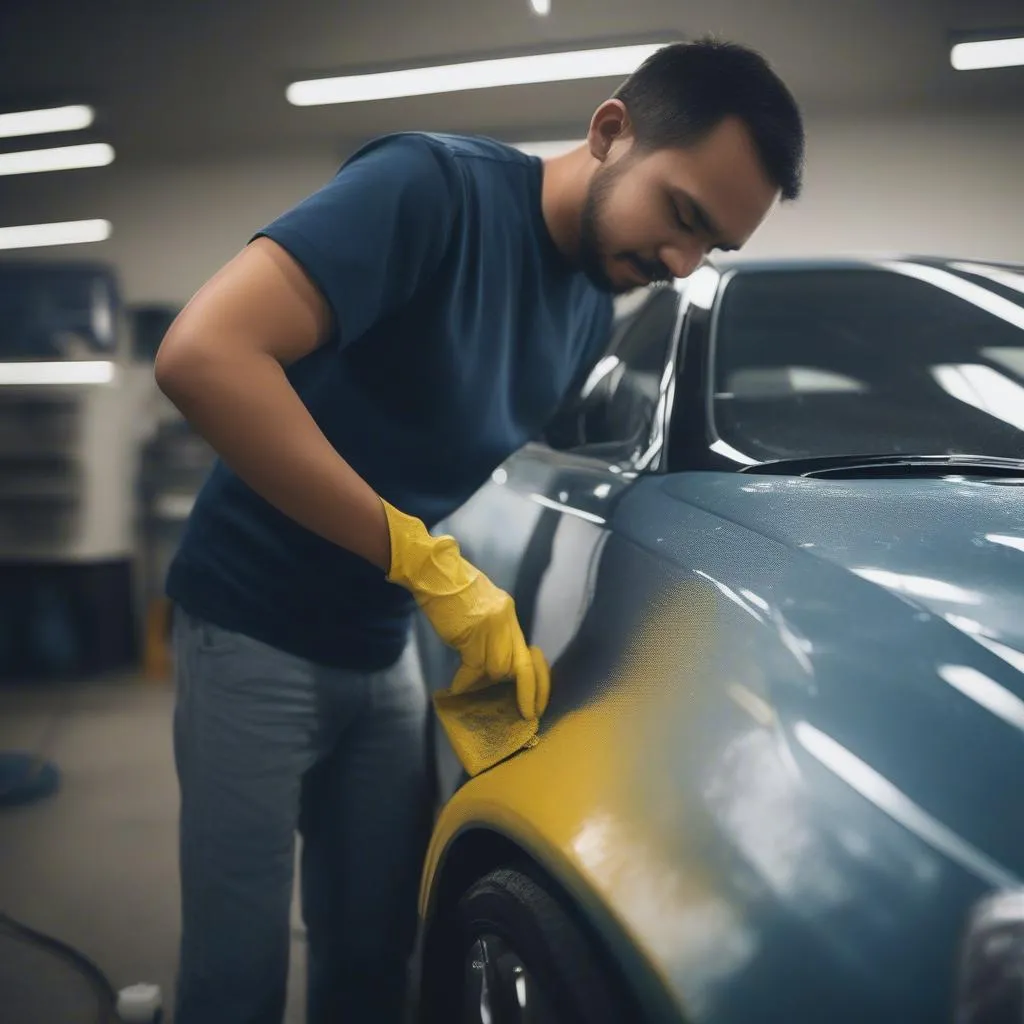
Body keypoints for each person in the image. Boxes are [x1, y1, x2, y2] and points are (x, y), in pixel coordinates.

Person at [154, 37, 804, 1024]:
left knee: (375, 952)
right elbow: (204, 356)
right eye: (680, 214)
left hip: (381, 653)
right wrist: (416, 555)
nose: (680, 265)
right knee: (236, 975)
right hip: (251, 627)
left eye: (710, 246)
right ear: (609, 131)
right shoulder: (429, 190)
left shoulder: (591, 303)